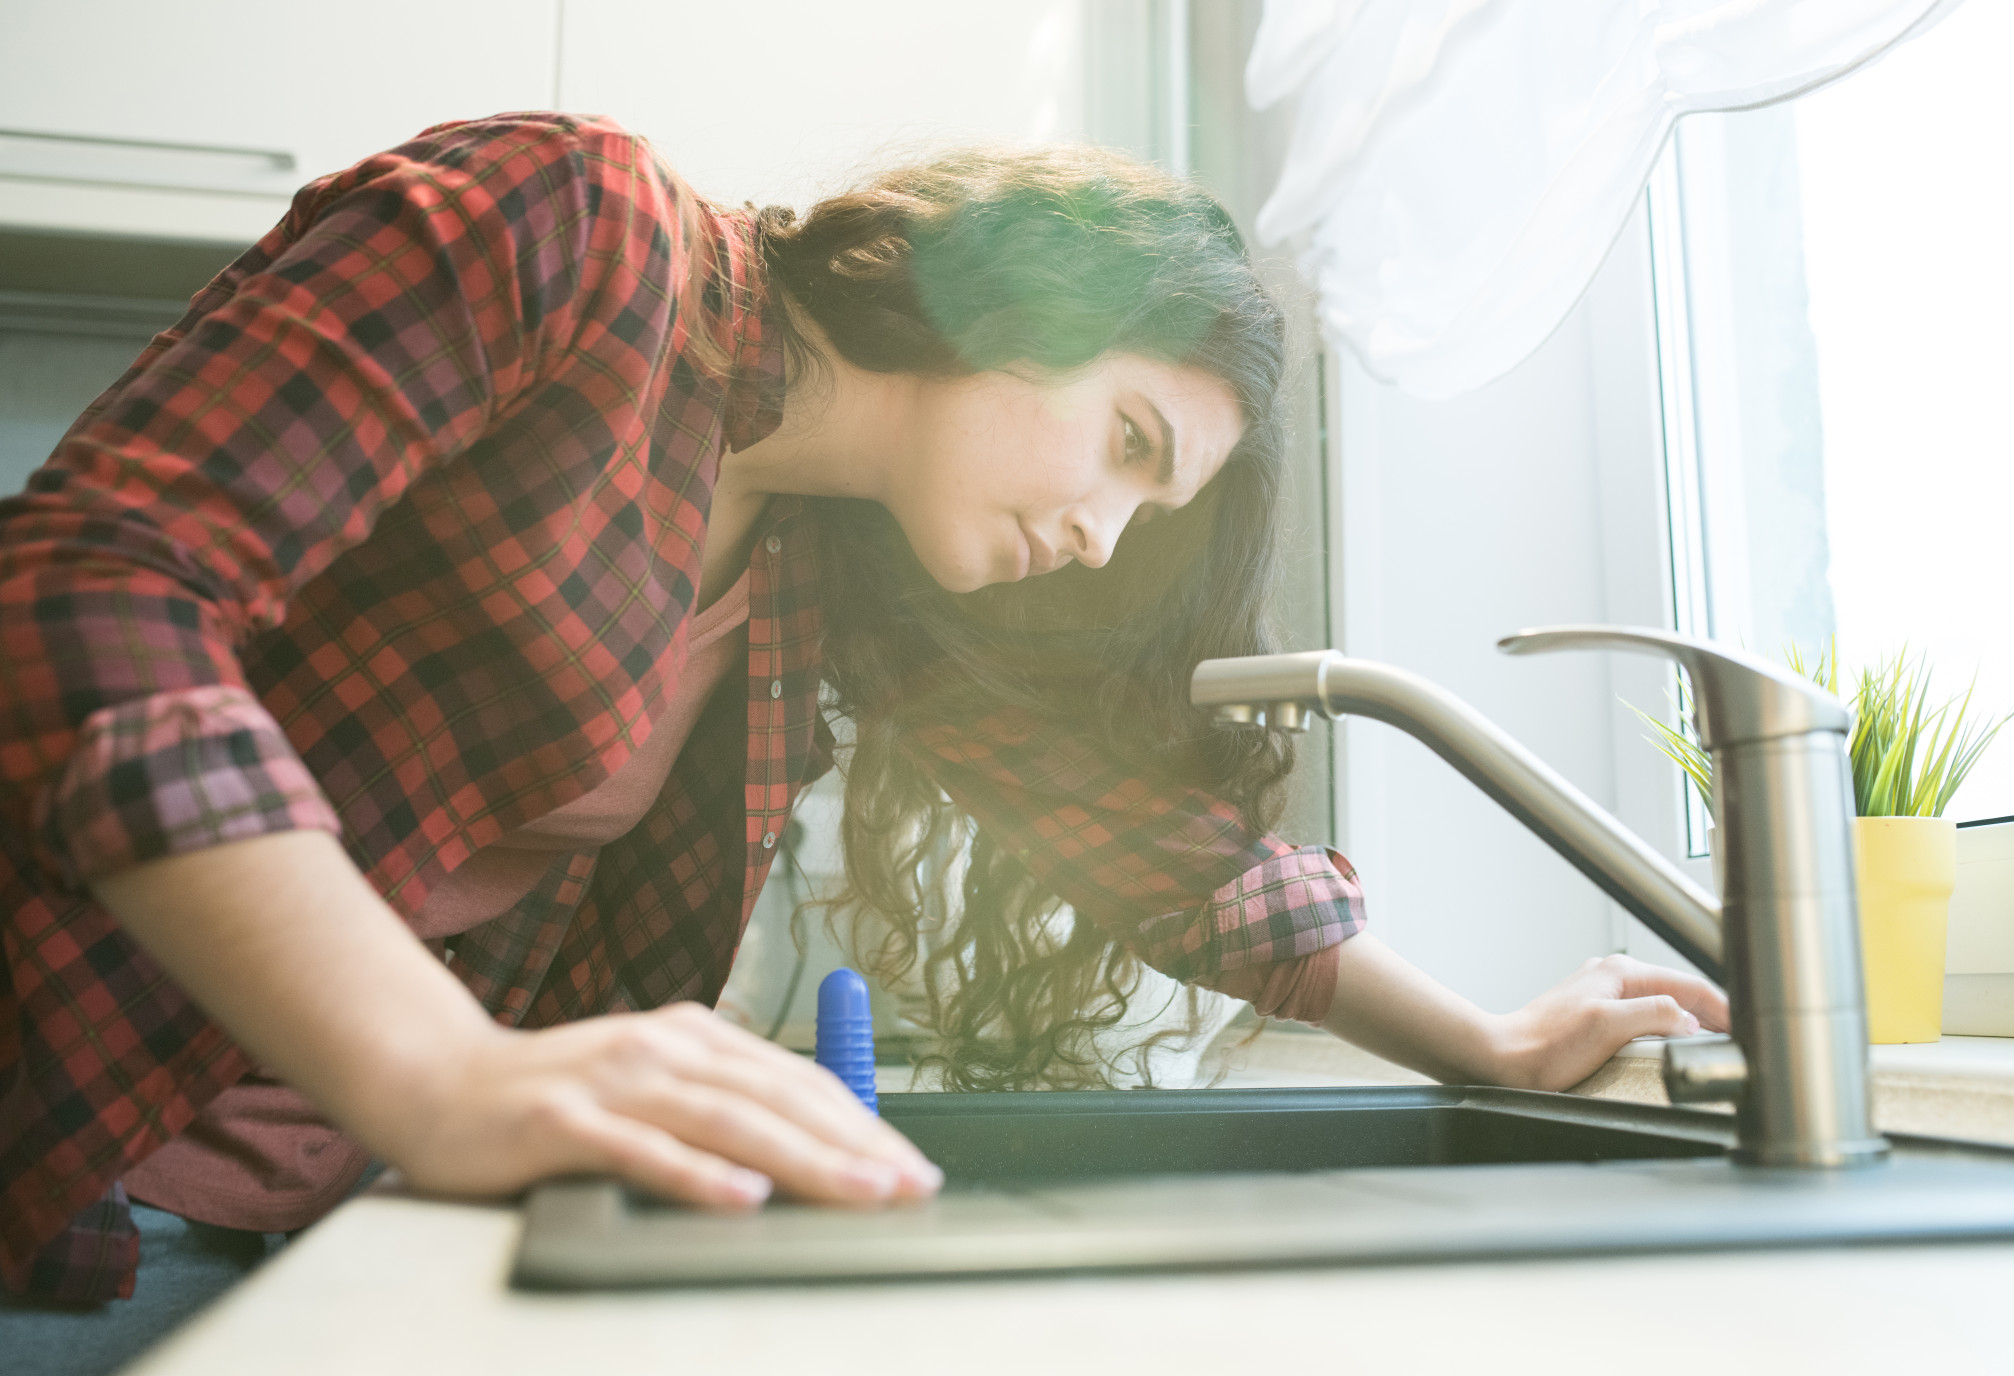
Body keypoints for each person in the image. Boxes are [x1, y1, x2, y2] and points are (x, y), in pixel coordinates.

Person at [0, 111, 1727, 1360]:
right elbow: (89, 593)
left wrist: (1488, 1045)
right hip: (61, 1168)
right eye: (1127, 438)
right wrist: (444, 1078)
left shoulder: (838, 565)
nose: (1109, 537)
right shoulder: (575, 229)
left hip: (347, 1220)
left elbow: (1160, 854)